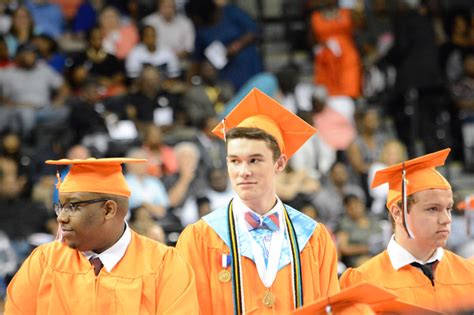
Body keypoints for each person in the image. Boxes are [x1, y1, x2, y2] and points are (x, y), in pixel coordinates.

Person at [176, 88, 340, 314]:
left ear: (280, 164)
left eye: (254, 160)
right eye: (235, 161)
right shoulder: (199, 238)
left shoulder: (313, 238)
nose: (243, 171)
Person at [5, 158, 199, 314]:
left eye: (73, 206)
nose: (61, 218)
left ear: (108, 210)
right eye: (60, 206)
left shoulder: (165, 265)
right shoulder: (44, 261)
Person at [339, 148, 474, 313]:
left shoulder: (469, 273)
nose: (446, 219)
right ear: (398, 213)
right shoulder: (363, 282)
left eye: (449, 208)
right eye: (433, 209)